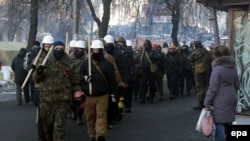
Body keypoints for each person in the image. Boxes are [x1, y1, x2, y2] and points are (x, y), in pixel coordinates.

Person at [32, 41, 82, 141]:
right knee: (48, 127)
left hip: (63, 100)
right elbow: (35, 79)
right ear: (53, 49)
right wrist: (38, 72)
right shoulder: (45, 61)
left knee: (59, 128)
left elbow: (75, 81)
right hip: (46, 99)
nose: (59, 51)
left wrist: (77, 94)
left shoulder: (69, 63)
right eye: (56, 49)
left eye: (61, 49)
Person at [79, 39, 116, 141]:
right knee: (90, 117)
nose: (96, 52)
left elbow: (112, 80)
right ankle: (92, 133)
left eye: (97, 50)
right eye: (94, 50)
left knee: (101, 116)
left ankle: (100, 134)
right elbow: (78, 75)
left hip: (102, 95)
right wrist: (85, 78)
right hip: (89, 95)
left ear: (102, 50)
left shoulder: (107, 64)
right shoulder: (86, 63)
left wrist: (113, 94)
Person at [204, 45, 239, 141]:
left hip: (220, 100)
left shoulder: (217, 69)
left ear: (216, 55)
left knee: (219, 124)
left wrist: (207, 102)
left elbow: (213, 88)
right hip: (231, 97)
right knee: (229, 122)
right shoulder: (233, 67)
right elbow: (237, 85)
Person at [188, 41, 212, 110]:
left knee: (199, 87)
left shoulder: (196, 52)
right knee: (206, 86)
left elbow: (189, 58)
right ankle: (208, 101)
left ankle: (201, 103)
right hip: (207, 71)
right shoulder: (206, 51)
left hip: (199, 71)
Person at [69, 40, 86, 125]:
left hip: (82, 81)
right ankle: (73, 111)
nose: (80, 51)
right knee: (71, 99)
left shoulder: (86, 58)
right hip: (72, 81)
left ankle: (79, 115)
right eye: (78, 49)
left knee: (81, 100)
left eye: (81, 49)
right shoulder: (70, 58)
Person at [23, 40, 41, 106]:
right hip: (39, 71)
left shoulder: (29, 52)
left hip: (30, 71)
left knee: (32, 86)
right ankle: (36, 99)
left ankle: (33, 99)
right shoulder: (41, 52)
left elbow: (25, 62)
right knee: (38, 86)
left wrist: (27, 69)